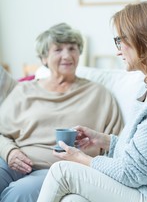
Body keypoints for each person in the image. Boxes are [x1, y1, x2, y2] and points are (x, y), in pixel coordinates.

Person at [37, 1, 147, 202]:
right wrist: (104, 140)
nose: (118, 51)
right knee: (73, 200)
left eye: (121, 41)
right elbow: (142, 155)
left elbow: (131, 173)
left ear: (144, 41)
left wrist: (80, 158)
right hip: (140, 185)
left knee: (63, 171)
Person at [0, 23, 123, 202]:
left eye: (72, 48)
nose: (67, 55)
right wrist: (9, 152)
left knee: (20, 192)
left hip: (57, 170)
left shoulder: (99, 94)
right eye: (58, 49)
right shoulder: (23, 91)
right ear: (44, 58)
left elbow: (116, 141)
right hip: (13, 161)